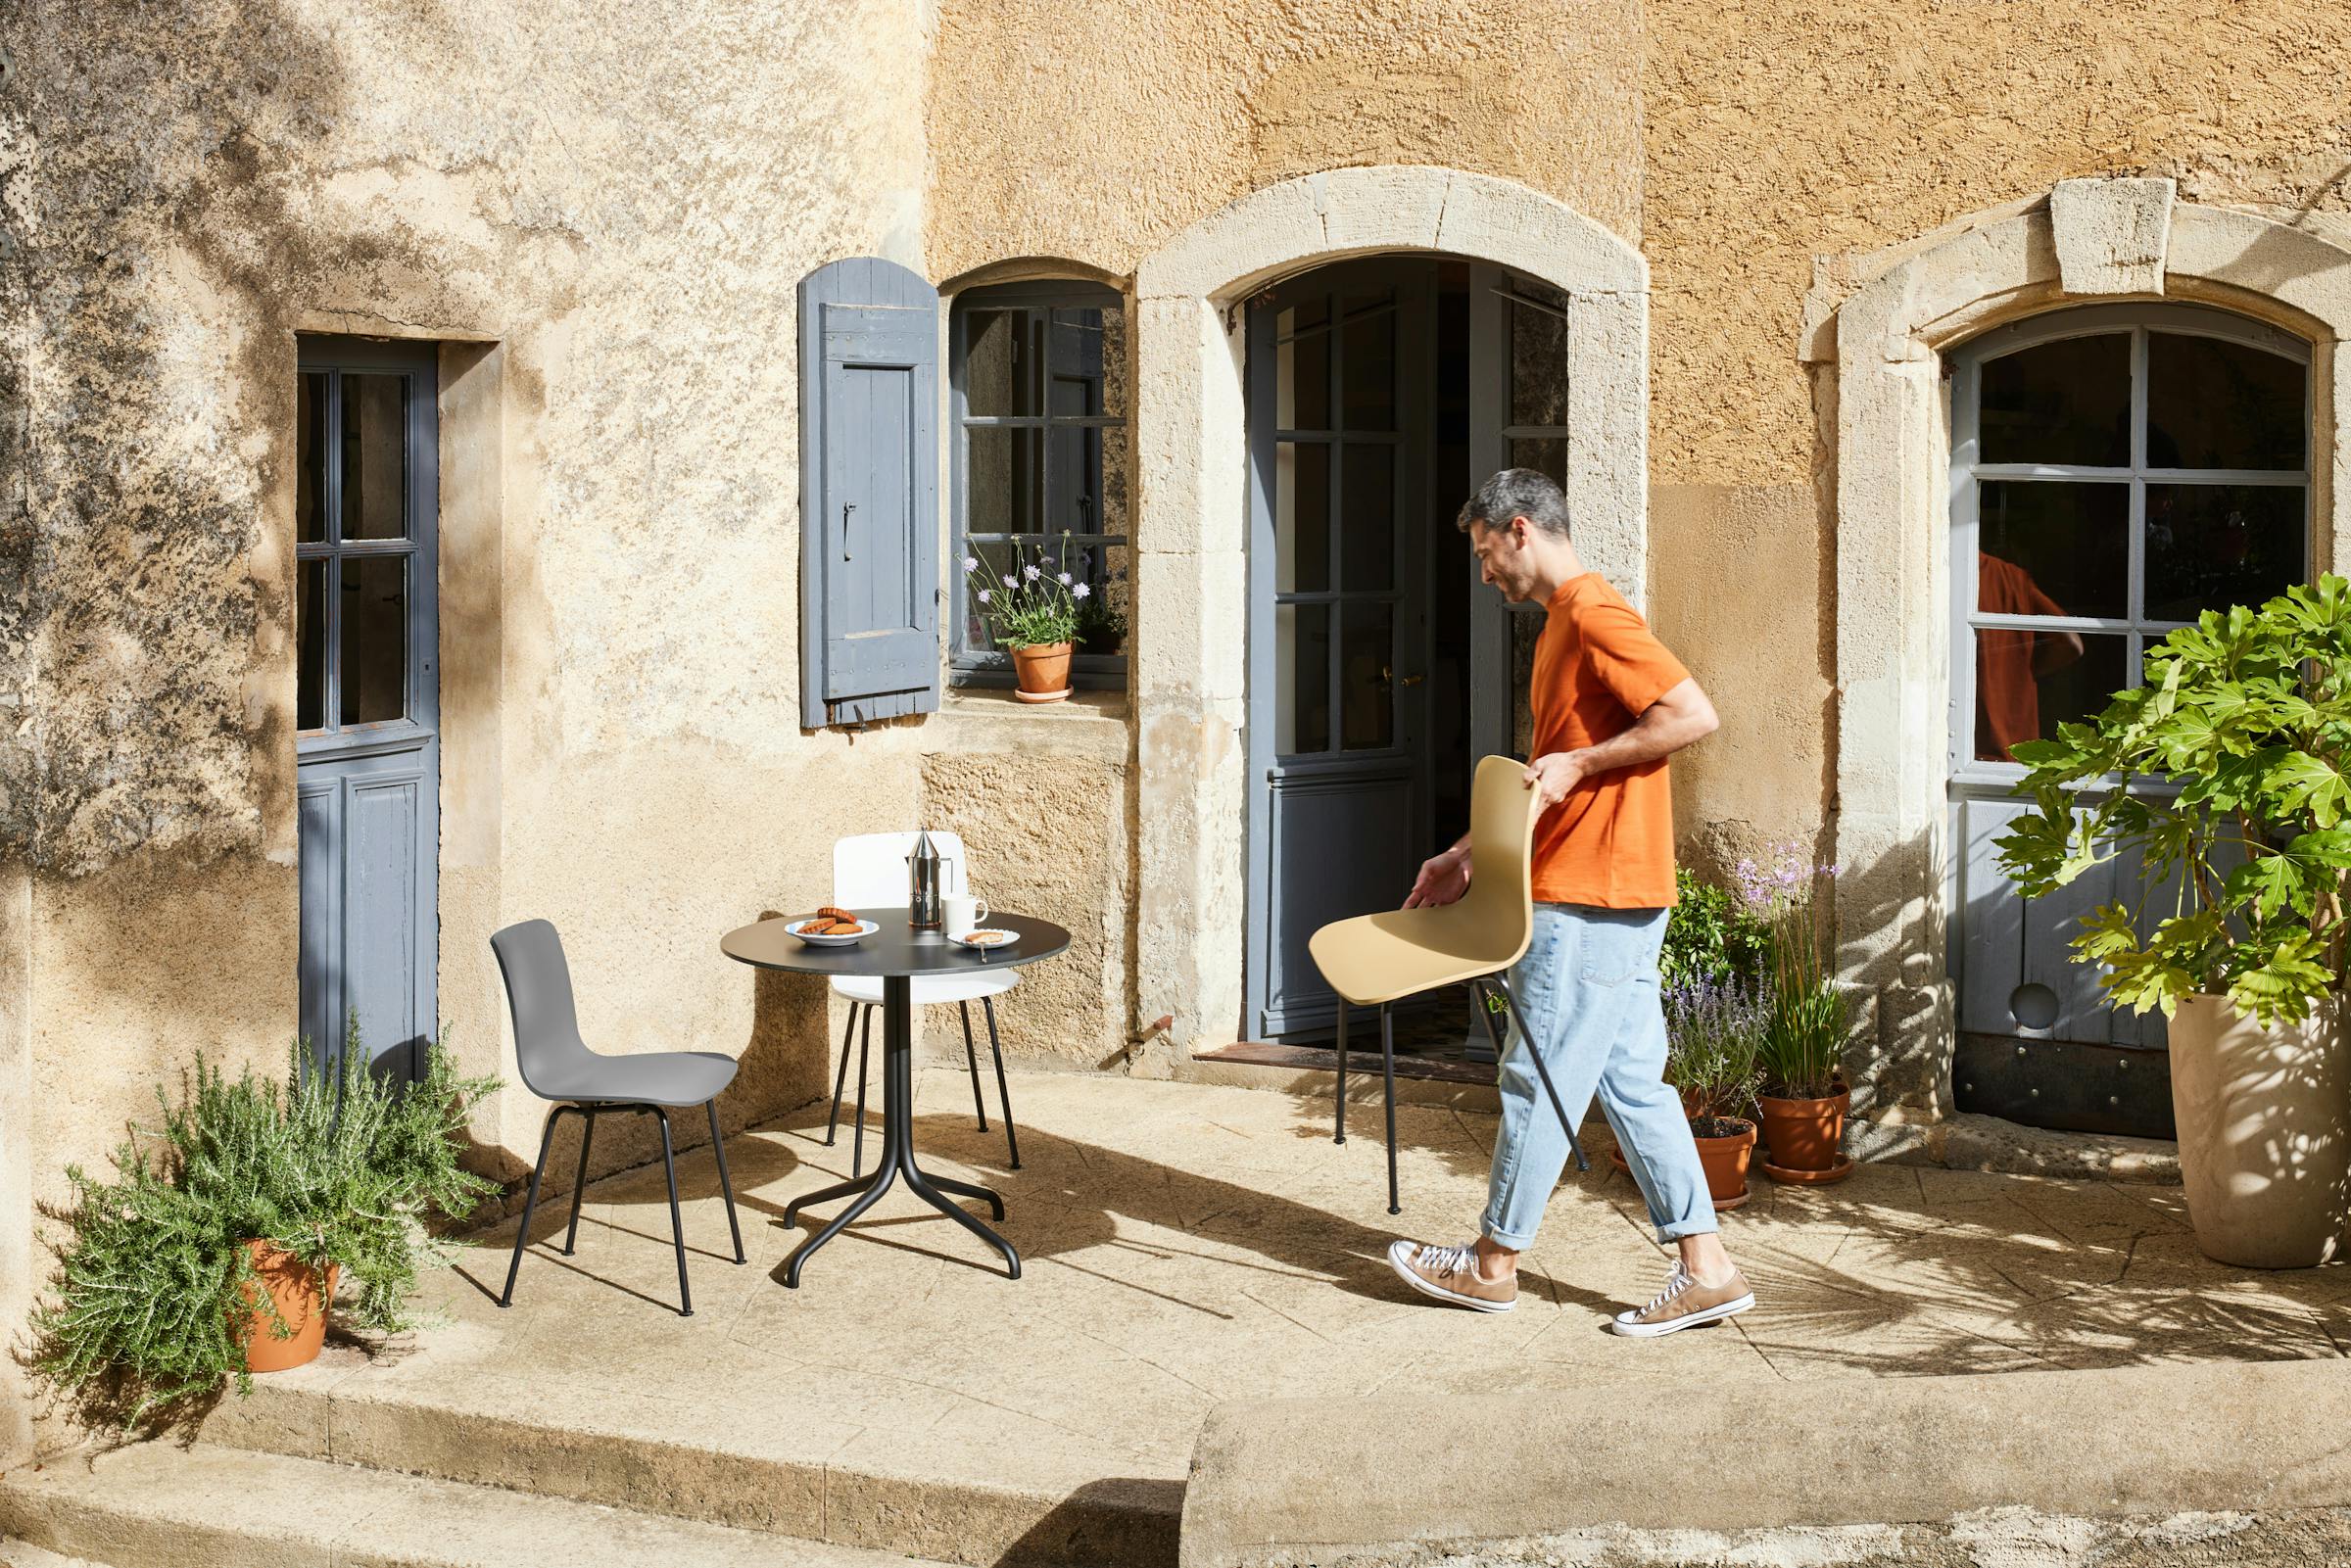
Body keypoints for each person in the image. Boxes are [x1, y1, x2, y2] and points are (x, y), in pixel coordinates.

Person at [1385, 468, 1752, 1337]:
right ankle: (1708, 1269)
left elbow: (1693, 713)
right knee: (1634, 1086)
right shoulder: (1562, 626)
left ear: (1520, 530)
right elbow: (1554, 768)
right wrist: (1466, 852)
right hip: (1610, 887)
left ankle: (1492, 1263)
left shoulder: (1592, 612)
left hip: (1592, 893)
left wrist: (1586, 765)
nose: (1485, 576)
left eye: (1485, 555)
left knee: (1534, 1074)